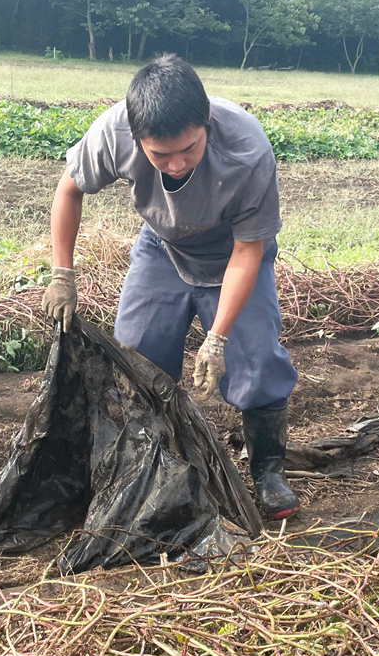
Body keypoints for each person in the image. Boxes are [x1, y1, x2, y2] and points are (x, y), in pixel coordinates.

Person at [41, 53, 299, 519]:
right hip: (162, 247)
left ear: (206, 123)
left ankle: (267, 468)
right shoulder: (113, 132)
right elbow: (69, 189)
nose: (177, 164)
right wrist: (63, 274)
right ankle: (150, 465)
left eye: (190, 149)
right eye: (161, 155)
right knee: (136, 357)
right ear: (138, 137)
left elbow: (248, 251)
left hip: (234, 254)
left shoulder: (247, 147)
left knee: (256, 359)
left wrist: (217, 337)